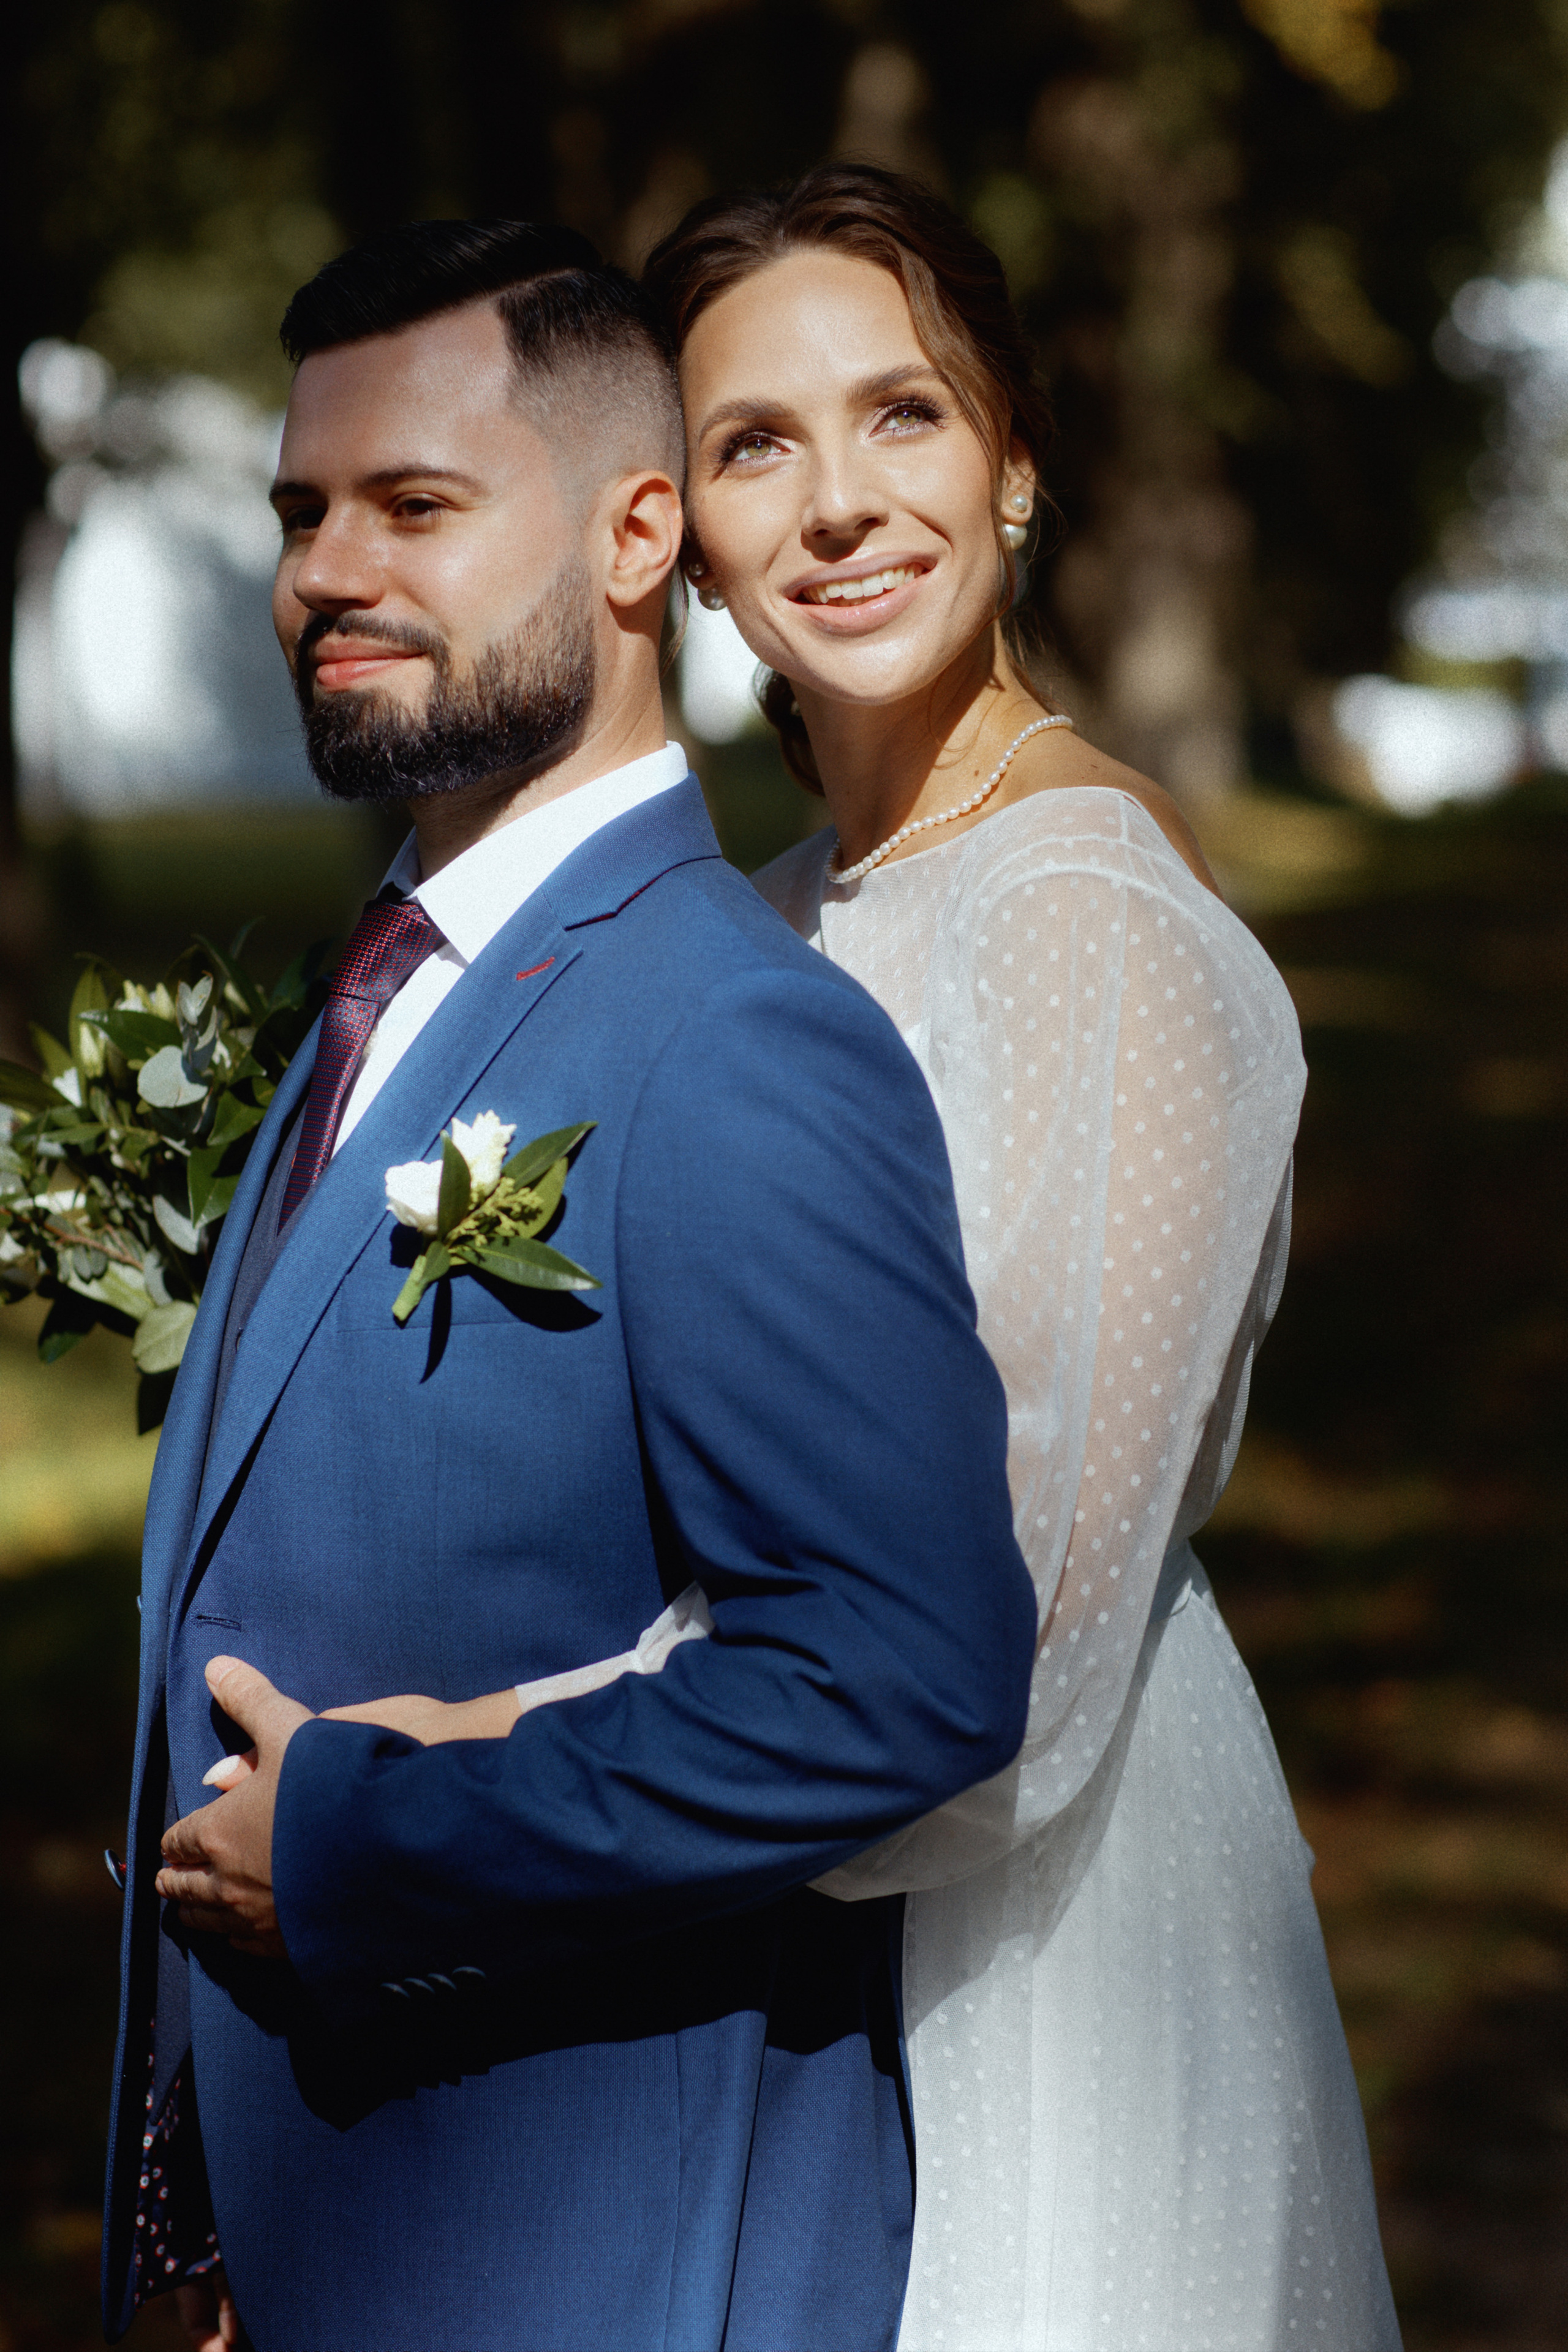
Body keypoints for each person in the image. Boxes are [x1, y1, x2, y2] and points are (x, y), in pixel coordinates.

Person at [111, 218, 1039, 2352]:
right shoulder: (389, 985)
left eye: (415, 504)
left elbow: (899, 1674)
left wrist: (368, 1851)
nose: (330, 572)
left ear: (638, 537)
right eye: (302, 512)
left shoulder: (733, 1038)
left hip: (574, 2256)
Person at [638, 163, 1404, 2351]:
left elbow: (1023, 1649)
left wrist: (504, 1764)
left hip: (1038, 1943)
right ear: (681, 537)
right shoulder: (769, 918)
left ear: (1018, 465)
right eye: (754, 445)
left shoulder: (1091, 919)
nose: (838, 504)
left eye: (904, 414)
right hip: (770, 1895)